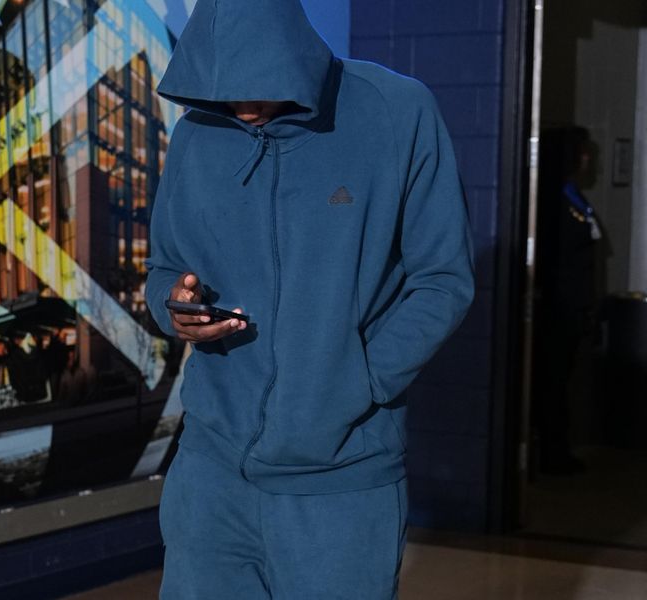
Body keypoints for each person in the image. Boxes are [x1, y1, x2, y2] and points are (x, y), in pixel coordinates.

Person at [144, 1, 475, 597]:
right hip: (210, 477)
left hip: (341, 485)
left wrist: (361, 380)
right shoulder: (197, 132)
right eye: (223, 88)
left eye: (257, 86)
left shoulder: (396, 111)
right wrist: (173, 305)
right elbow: (164, 265)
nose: (242, 108)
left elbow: (443, 279)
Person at [533, 126, 601, 474]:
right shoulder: (553, 201)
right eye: (582, 150)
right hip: (557, 308)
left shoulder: (574, 196)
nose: (588, 158)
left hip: (573, 306)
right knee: (552, 382)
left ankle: (557, 448)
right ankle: (551, 453)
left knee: (562, 379)